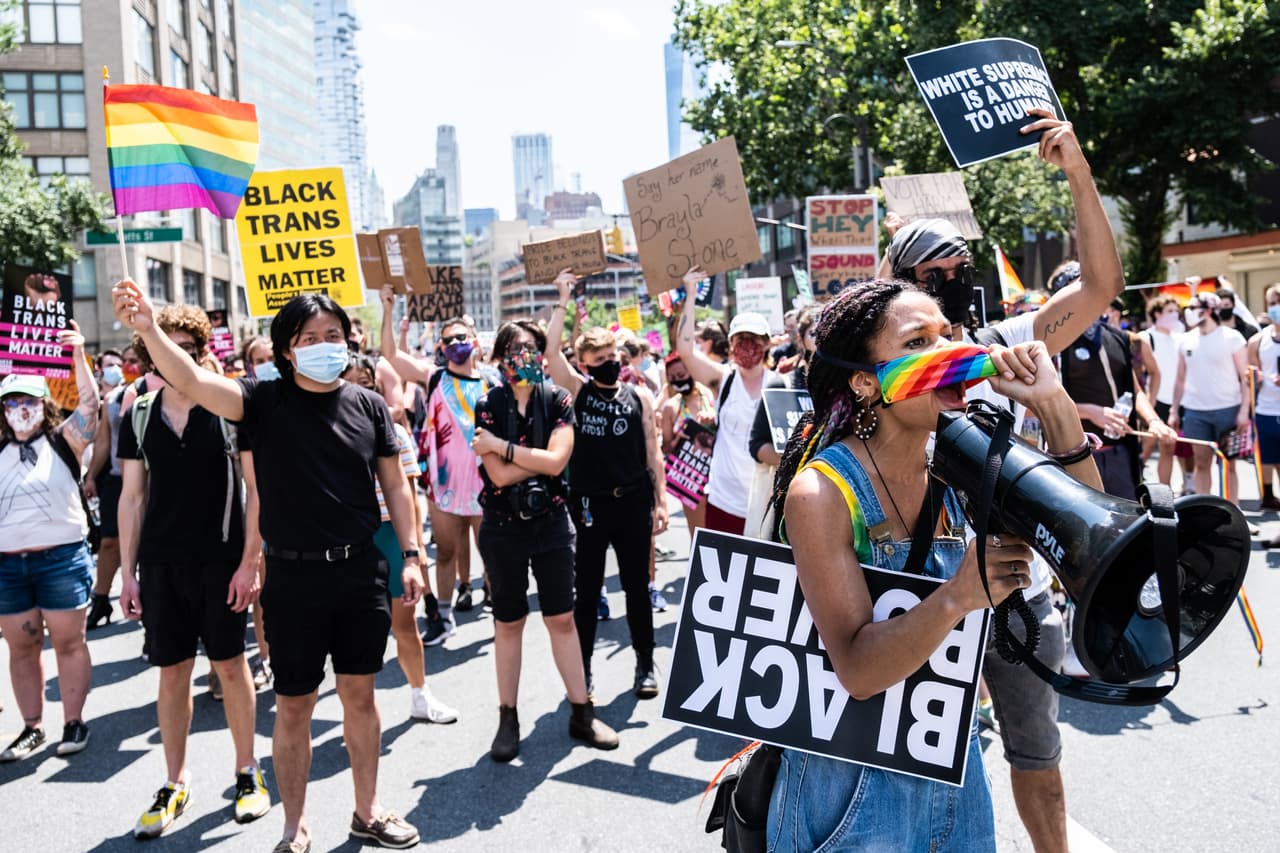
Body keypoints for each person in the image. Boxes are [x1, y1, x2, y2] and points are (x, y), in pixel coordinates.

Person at [765, 280, 1101, 851]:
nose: (949, 353)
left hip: (953, 763)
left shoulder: (966, 456)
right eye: (918, 342)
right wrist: (957, 596)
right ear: (865, 382)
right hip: (850, 785)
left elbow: (1086, 535)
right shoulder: (820, 494)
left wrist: (1053, 405)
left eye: (948, 335)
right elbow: (859, 671)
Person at [112, 280, 424, 853]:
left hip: (361, 574)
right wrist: (149, 329)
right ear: (287, 349)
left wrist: (410, 554)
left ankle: (368, 811)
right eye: (311, 337)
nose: (326, 345)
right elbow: (191, 379)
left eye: (335, 335)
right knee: (295, 707)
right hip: (292, 578)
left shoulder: (369, 405)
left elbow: (396, 487)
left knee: (361, 698)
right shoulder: (259, 401)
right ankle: (294, 825)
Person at [885, 108, 1122, 853]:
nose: (952, 282)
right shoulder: (886, 373)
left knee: (1038, 754)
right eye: (932, 274)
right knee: (922, 766)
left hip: (1018, 586)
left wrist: (1078, 174)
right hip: (924, 588)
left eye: (959, 269)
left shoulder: (1004, 347)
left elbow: (1100, 288)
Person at [113, 304, 270, 838]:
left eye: (189, 347)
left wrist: (251, 559)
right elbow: (132, 499)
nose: (178, 356)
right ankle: (174, 782)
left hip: (222, 558)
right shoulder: (138, 412)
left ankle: (248, 773)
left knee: (229, 666)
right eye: (164, 347)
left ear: (205, 353)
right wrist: (128, 573)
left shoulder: (230, 408)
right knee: (172, 671)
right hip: (161, 563)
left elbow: (256, 489)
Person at [470, 319, 619, 762]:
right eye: (514, 349)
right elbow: (496, 475)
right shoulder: (488, 403)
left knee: (562, 619)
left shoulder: (558, 400)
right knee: (508, 623)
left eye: (532, 347)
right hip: (502, 525)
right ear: (499, 358)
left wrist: (502, 446)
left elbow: (557, 463)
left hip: (552, 522)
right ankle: (508, 717)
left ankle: (582, 710)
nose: (524, 356)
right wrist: (529, 460)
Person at [546, 270, 669, 699]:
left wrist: (661, 501)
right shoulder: (578, 392)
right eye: (597, 360)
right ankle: (582, 670)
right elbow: (550, 353)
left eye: (610, 356)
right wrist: (563, 298)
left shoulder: (640, 397)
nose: (607, 364)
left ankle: (645, 662)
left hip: (633, 501)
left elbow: (653, 451)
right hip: (589, 505)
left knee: (638, 587)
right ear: (584, 364)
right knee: (587, 591)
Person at [0, 323, 99, 761]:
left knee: (68, 642)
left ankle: (74, 721)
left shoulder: (65, 441)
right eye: (11, 402)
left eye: (27, 401)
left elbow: (92, 408)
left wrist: (78, 356)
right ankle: (31, 728)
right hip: (8, 567)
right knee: (22, 647)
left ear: (44, 404)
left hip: (61, 560)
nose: (20, 409)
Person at [342, 354, 458, 724]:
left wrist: (416, 550)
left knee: (404, 625)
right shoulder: (323, 432)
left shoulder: (395, 433)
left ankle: (420, 696)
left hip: (390, 534)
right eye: (349, 382)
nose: (358, 390)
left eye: (366, 383)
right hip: (345, 540)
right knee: (353, 632)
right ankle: (358, 713)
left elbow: (407, 493)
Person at [378, 288, 488, 646]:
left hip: (489, 485)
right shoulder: (435, 377)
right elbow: (391, 355)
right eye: (448, 340)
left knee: (494, 554)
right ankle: (443, 616)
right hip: (445, 488)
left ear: (474, 341)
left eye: (462, 337)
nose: (456, 343)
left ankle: (502, 610)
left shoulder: (493, 381)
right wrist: (388, 309)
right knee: (446, 553)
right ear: (441, 348)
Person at [676, 270, 784, 534]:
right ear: (731, 344)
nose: (747, 347)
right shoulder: (722, 379)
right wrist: (690, 295)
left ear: (767, 344)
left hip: (762, 502)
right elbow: (685, 350)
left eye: (754, 340)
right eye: (740, 340)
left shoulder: (780, 384)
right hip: (723, 500)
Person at [1170, 291, 1252, 515]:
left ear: (1207, 310)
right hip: (1196, 412)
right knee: (1201, 463)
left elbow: (1245, 378)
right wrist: (1174, 410)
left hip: (1228, 409)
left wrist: (1244, 410)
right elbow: (1179, 379)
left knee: (1228, 465)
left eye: (1194, 306)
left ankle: (1233, 513)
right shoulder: (1185, 340)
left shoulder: (1232, 338)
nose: (1188, 311)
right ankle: (1204, 514)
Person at [84, 351, 126, 629]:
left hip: (148, 480)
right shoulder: (109, 402)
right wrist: (90, 476)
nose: (113, 370)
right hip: (116, 478)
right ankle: (101, 599)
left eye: (118, 365)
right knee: (109, 541)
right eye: (108, 366)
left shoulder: (143, 392)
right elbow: (102, 444)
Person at [658, 353, 716, 538]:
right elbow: (665, 448)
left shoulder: (711, 394)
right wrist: (677, 441)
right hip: (692, 478)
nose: (678, 380)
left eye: (681, 374)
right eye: (673, 378)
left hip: (720, 475)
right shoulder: (670, 407)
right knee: (700, 537)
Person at [1252, 284, 1280, 517]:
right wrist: (1255, 377)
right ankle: (1268, 495)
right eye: (1272, 303)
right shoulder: (1258, 340)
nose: (1276, 307)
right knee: (1268, 458)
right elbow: (1251, 374)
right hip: (1266, 410)